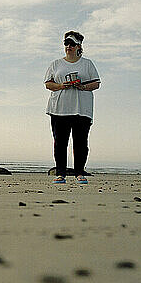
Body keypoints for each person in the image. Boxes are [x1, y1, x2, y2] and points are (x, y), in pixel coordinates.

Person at [44, 31, 101, 184]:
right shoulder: (56, 64)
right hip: (59, 109)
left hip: (81, 110)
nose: (69, 46)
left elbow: (96, 84)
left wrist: (82, 87)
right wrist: (62, 85)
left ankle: (79, 172)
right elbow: (48, 84)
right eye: (66, 44)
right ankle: (60, 173)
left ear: (79, 46)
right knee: (60, 143)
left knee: (81, 142)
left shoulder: (87, 64)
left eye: (72, 44)